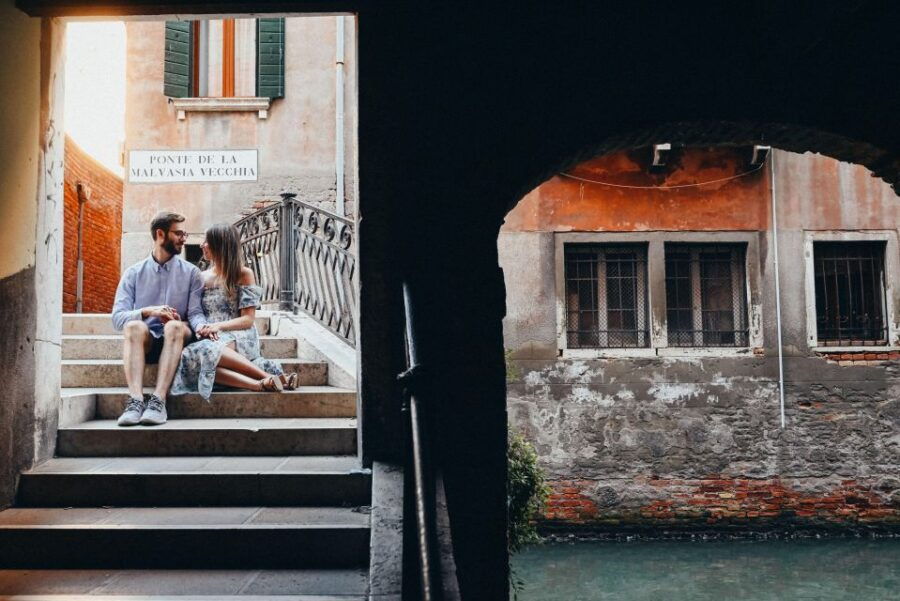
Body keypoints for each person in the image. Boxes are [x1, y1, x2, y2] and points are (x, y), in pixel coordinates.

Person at [170, 223, 298, 400]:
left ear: (219, 245)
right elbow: (194, 311)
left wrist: (217, 327)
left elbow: (247, 320)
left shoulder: (243, 274)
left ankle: (264, 376)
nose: (201, 245)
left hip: (239, 333)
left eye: (206, 241)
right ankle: (261, 383)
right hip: (212, 336)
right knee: (201, 357)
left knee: (208, 352)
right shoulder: (201, 277)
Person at [111, 211, 206, 426]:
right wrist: (150, 311)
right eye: (179, 233)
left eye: (185, 233)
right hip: (148, 341)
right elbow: (117, 319)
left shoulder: (192, 273)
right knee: (134, 325)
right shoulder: (133, 273)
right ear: (160, 234)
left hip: (178, 338)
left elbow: (195, 313)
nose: (184, 238)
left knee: (174, 326)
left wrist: (203, 327)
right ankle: (135, 401)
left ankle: (158, 401)